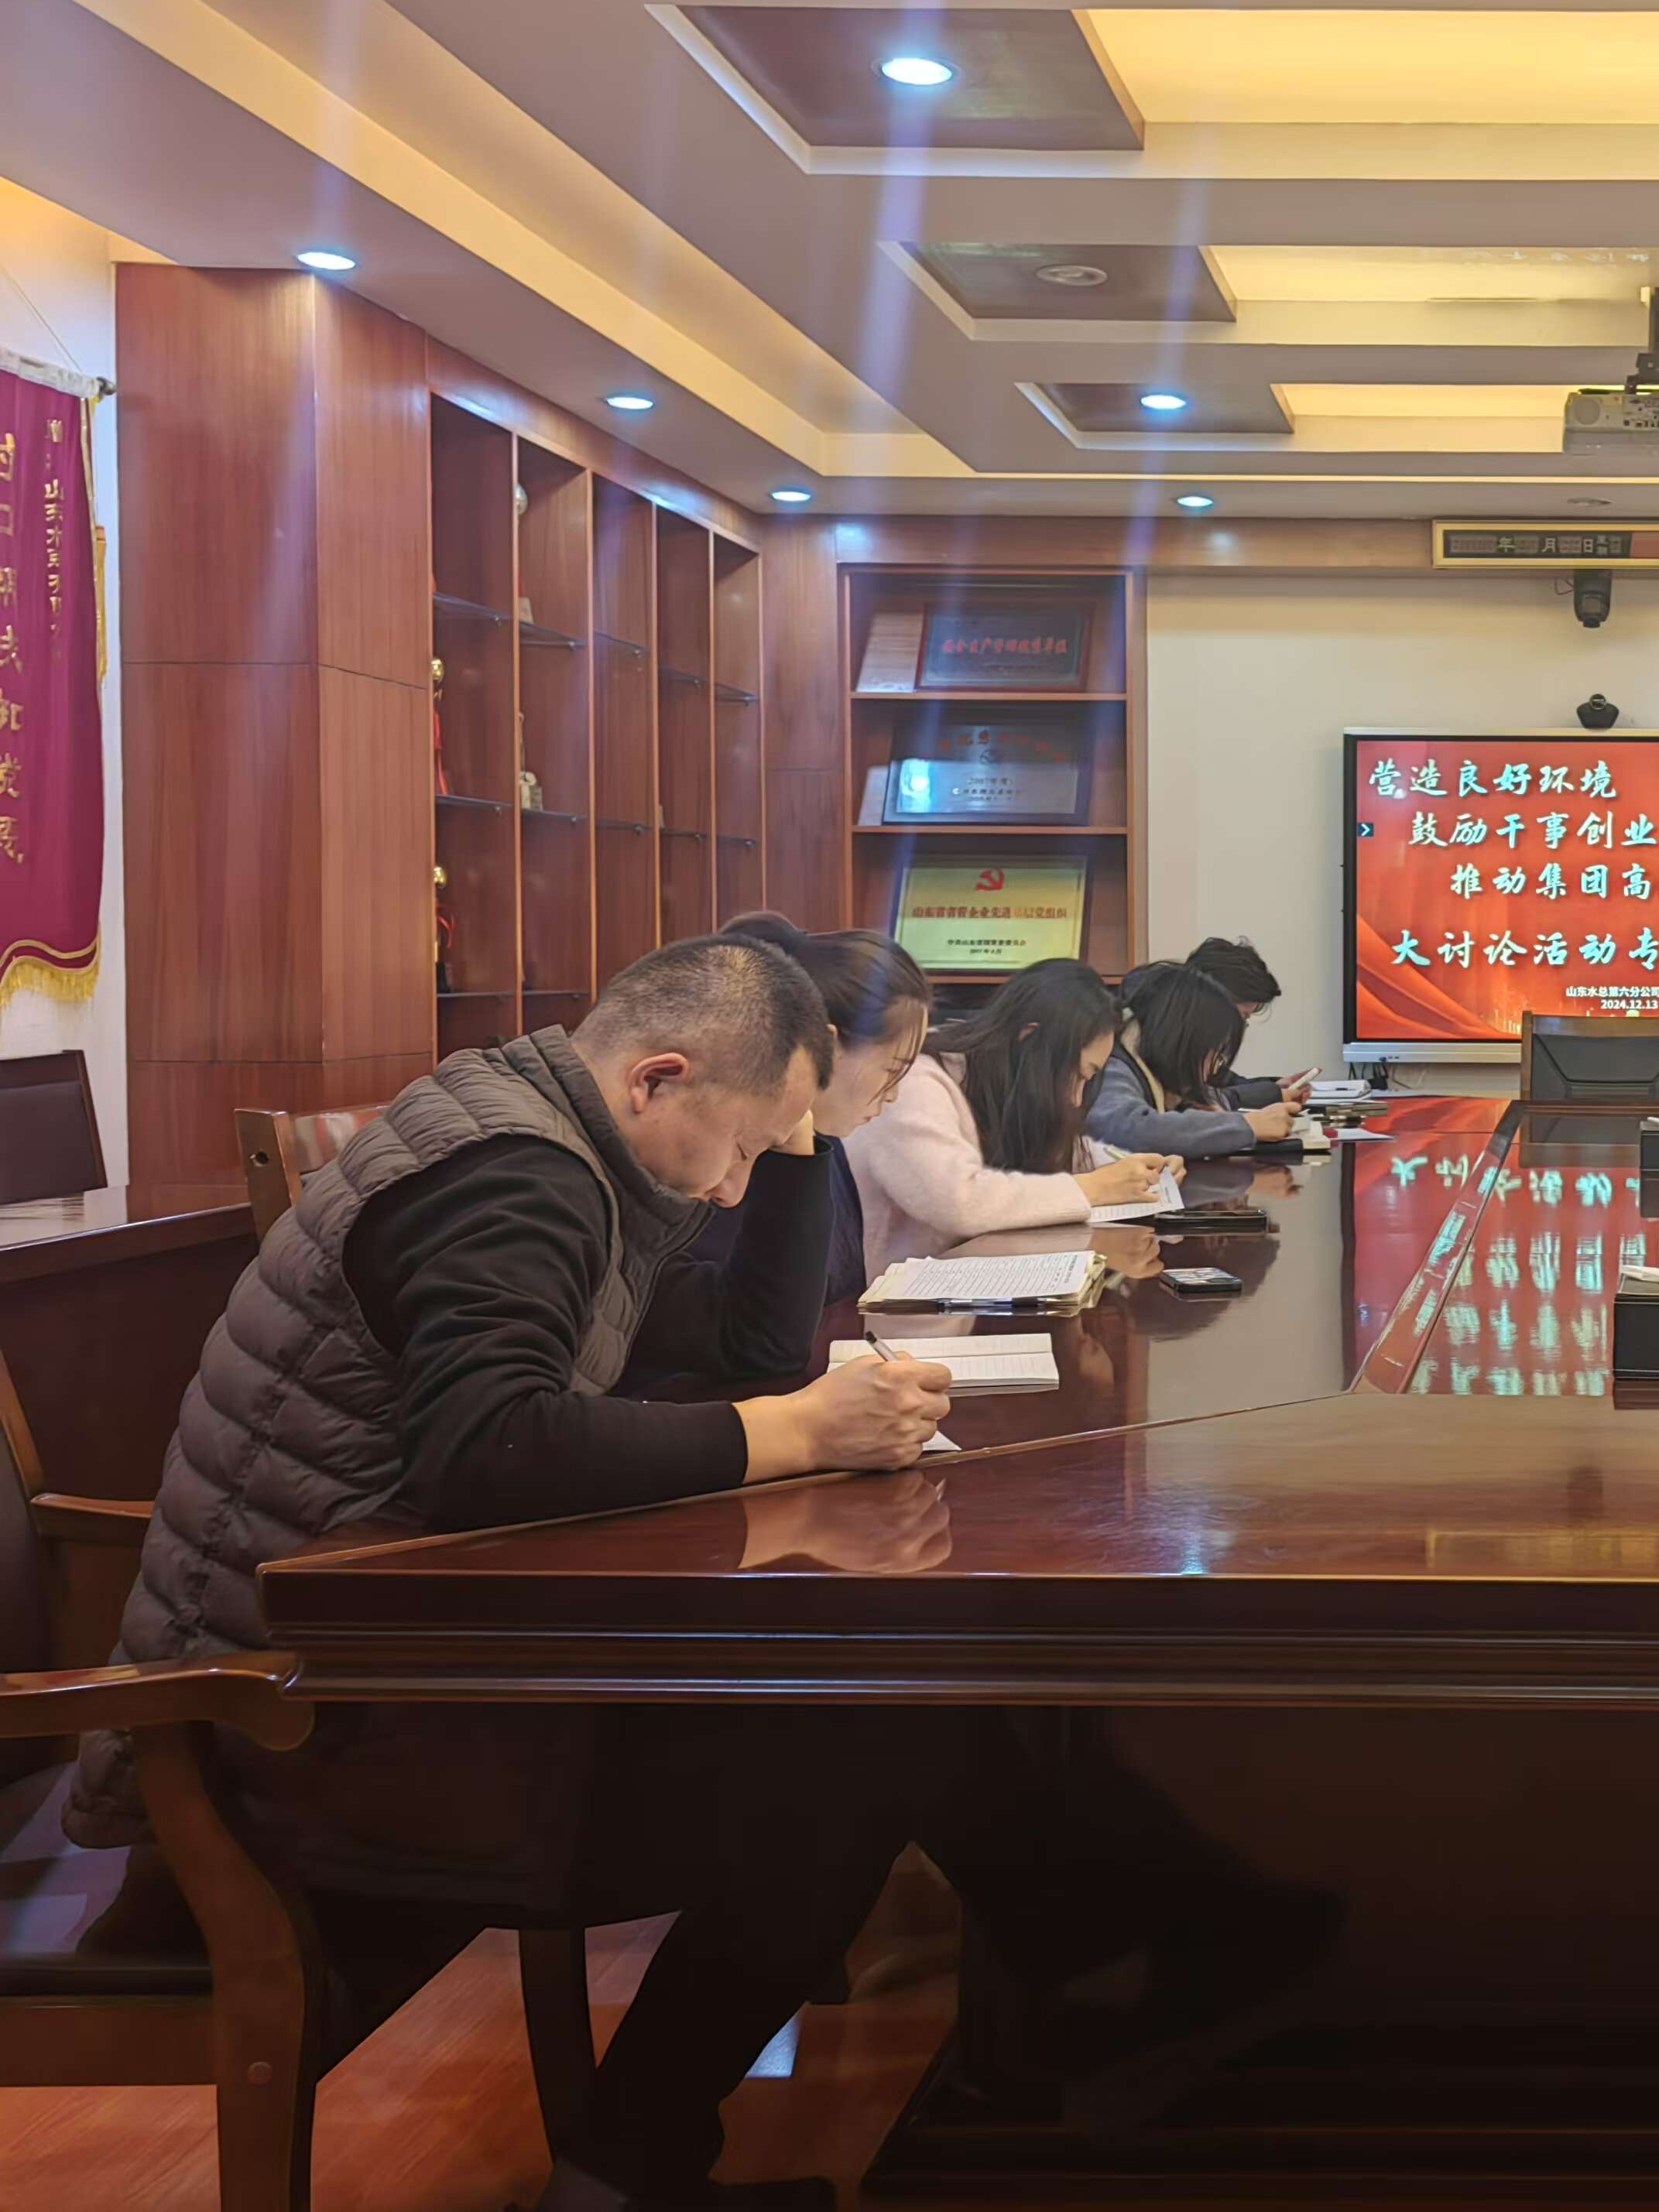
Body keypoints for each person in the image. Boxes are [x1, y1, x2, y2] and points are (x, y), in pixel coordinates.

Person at [67, 938, 977, 2210]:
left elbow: (751, 1344)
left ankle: (631, 2163)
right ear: (655, 1079)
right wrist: (798, 1434)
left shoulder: (551, 1136)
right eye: (736, 1149)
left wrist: (795, 1135)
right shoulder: (516, 1177)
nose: (730, 1191)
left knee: (859, 1723)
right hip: (288, 1730)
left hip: (370, 1669)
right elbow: (492, 1447)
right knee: (860, 1755)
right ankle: (628, 2173)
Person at [617, 916, 930, 1392]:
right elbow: (759, 1342)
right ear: (824, 1048)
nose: (894, 1096)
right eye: (893, 1070)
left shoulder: (819, 1144)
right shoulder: (717, 1155)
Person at [849, 957, 1184, 1272]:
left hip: (972, 1279)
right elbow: (960, 1203)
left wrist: (1138, 1171)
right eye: (1077, 1075)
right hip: (895, 1300)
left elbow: (1068, 1154)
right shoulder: (917, 1081)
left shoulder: (1001, 1082)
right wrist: (1094, 1187)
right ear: (1029, 1039)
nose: (1076, 1098)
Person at [1088, 960, 1308, 1156]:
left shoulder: (1155, 1069)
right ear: (1183, 1042)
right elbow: (1133, 1129)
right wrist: (1247, 1126)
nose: (1213, 1069)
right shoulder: (1113, 1066)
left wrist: (1210, 1113)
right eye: (1214, 1053)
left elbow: (1205, 1098)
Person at [1185, 934, 1313, 1108]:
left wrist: (1274, 1088)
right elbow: (1195, 1100)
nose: (1239, 1031)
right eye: (1241, 1017)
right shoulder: (1167, 1049)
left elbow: (1224, 1083)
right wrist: (1268, 1099)